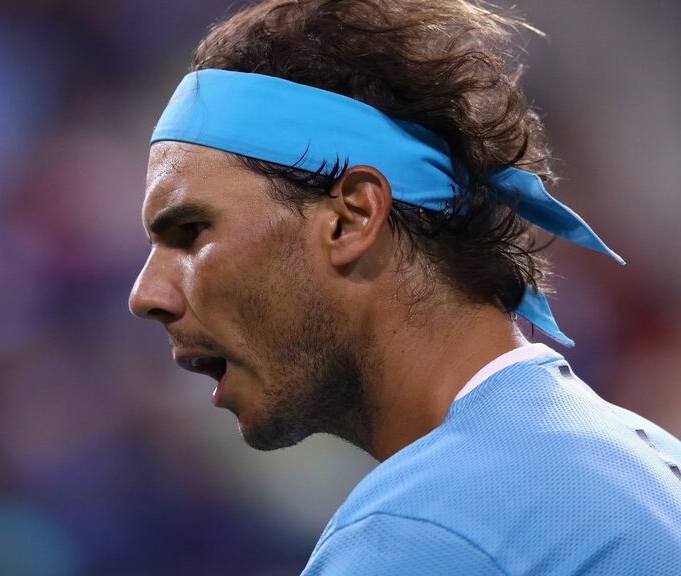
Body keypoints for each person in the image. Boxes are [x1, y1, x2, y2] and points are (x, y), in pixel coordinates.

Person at [127, 1, 681, 574]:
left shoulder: (426, 533)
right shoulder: (650, 462)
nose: (145, 295)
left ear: (351, 217)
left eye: (191, 233)